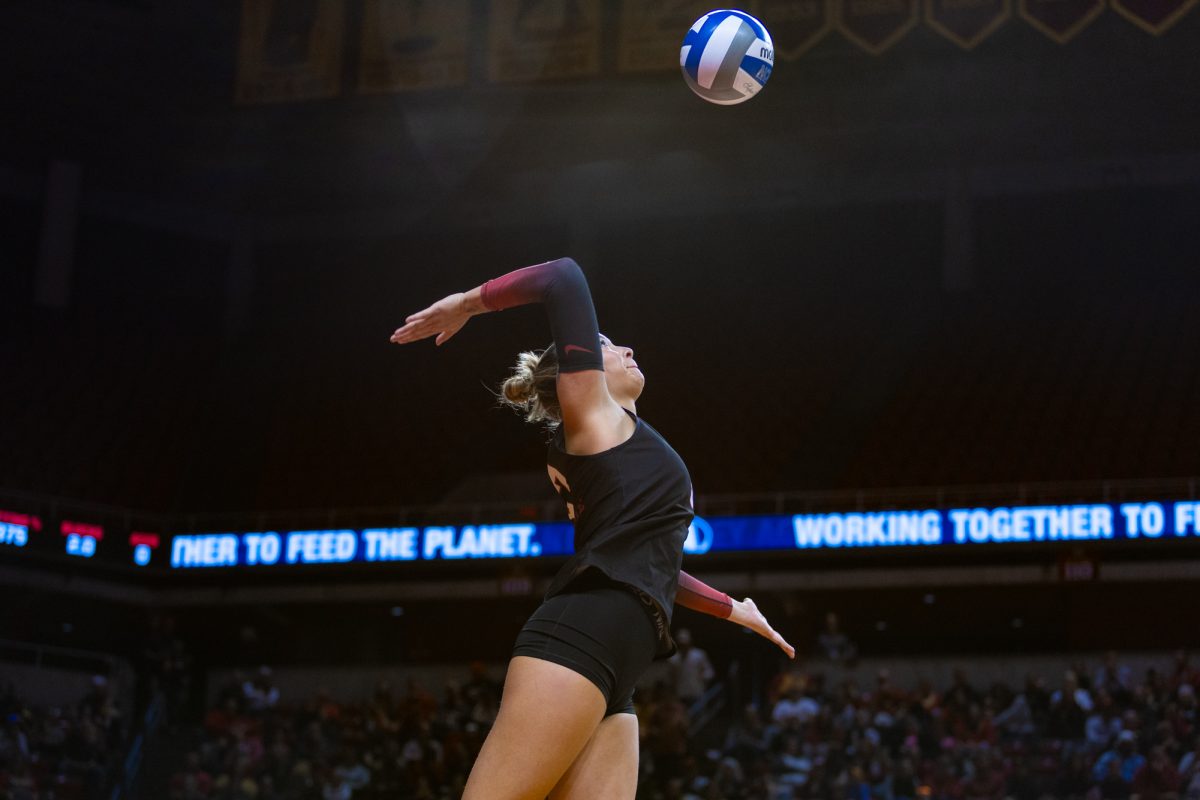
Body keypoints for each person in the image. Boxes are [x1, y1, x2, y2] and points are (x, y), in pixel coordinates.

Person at [391, 256, 794, 799]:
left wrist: (731, 608)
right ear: (579, 376)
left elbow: (645, 562)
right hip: (581, 636)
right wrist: (465, 304)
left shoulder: (620, 440)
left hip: (619, 661)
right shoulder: (592, 414)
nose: (627, 349)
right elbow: (563, 277)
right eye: (608, 345)